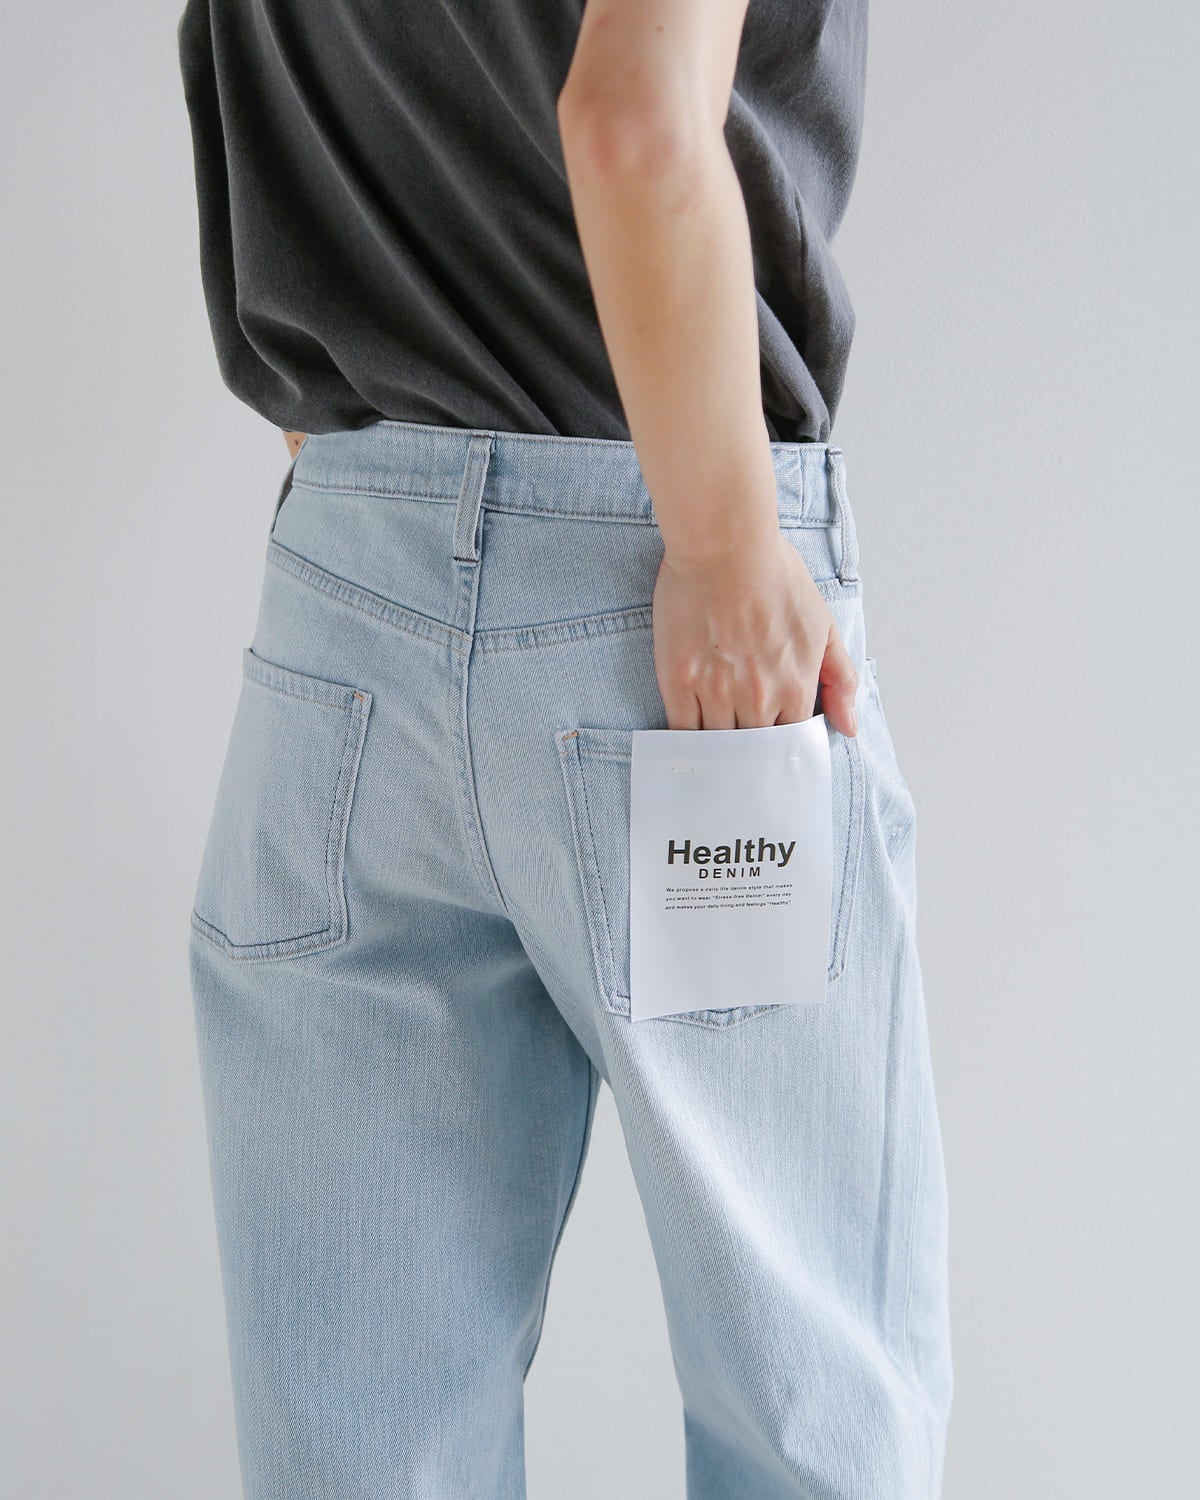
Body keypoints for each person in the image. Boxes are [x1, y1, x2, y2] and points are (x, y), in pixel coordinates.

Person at [177, 0, 954, 1495]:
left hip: (344, 605)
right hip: (673, 609)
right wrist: (723, 544)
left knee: (364, 1441)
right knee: (810, 1415)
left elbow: (234, 95)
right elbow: (631, 122)